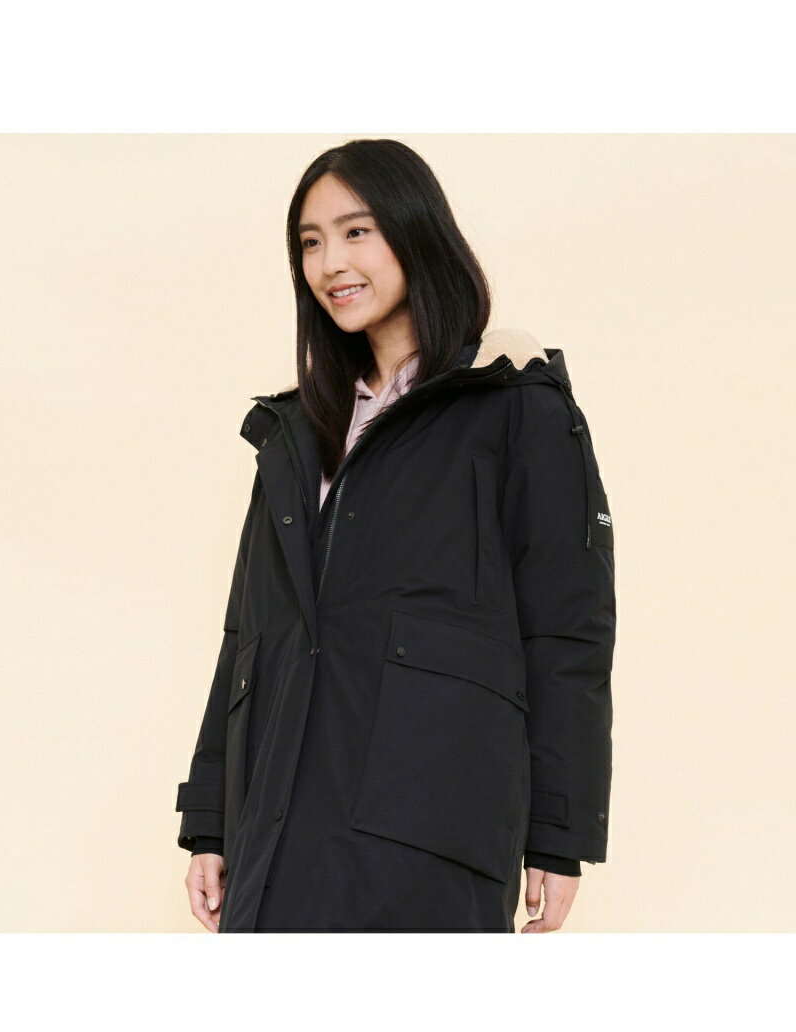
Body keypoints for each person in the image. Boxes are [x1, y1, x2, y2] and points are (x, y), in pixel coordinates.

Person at [176, 138, 616, 933]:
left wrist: (558, 832)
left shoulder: (516, 404)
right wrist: (211, 819)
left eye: (357, 232)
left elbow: (566, 627)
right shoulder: (293, 432)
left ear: (416, 230)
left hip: (428, 828)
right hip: (276, 825)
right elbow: (249, 634)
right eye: (310, 242)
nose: (331, 263)